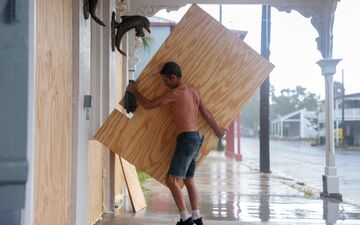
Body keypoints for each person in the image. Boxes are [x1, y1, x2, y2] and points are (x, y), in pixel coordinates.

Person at [126, 61, 227, 225]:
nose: (165, 85)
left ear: (173, 77)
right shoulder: (194, 90)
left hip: (186, 140)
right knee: (188, 180)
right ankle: (197, 217)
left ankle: (185, 219)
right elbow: (206, 113)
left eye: (166, 81)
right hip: (196, 138)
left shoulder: (175, 93)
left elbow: (149, 104)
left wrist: (135, 91)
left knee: (171, 180)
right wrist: (218, 130)